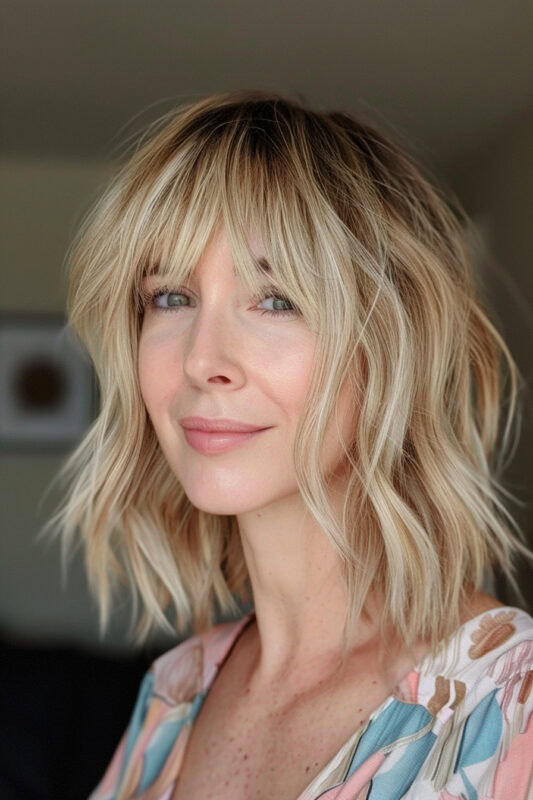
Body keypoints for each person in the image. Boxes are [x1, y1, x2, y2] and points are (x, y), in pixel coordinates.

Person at [42, 90, 533, 799]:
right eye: (171, 298)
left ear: (388, 345)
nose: (201, 360)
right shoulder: (175, 693)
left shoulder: (508, 705)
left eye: (277, 300)